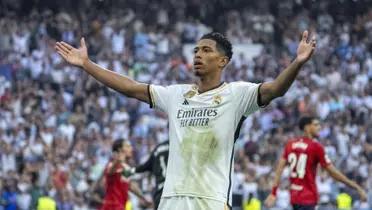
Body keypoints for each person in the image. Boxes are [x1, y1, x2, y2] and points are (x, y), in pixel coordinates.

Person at [55, 30, 316, 210]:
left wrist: (298, 62)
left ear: (223, 61)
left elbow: (275, 89)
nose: (198, 55)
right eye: (196, 50)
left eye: (206, 50)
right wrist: (87, 64)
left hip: (210, 200)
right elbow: (131, 87)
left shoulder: (238, 94)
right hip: (171, 200)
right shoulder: (177, 94)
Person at [264, 116, 367, 210]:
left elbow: (279, 168)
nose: (319, 127)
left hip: (294, 197)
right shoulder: (315, 147)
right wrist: (355, 186)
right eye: (316, 125)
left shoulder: (290, 145)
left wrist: (274, 192)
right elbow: (333, 173)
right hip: (308, 198)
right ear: (307, 127)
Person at [100, 139, 151, 210]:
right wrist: (117, 161)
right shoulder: (111, 163)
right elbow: (110, 171)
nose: (131, 148)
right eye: (128, 146)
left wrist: (143, 198)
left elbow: (130, 185)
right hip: (111, 207)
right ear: (120, 149)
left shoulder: (126, 168)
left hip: (121, 207)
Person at [130, 140, 169, 210]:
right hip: (173, 191)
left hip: (159, 194)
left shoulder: (157, 150)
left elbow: (144, 167)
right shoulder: (175, 145)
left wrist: (131, 170)